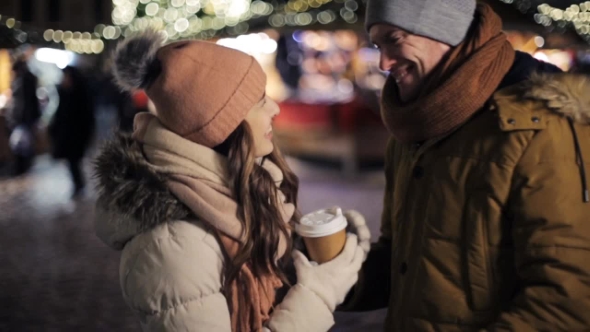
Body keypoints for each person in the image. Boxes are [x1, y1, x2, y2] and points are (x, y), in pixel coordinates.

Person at [93, 30, 370, 331]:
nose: (275, 108)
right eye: (260, 101)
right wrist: (319, 293)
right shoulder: (173, 248)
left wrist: (324, 258)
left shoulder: (248, 192)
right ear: (223, 125)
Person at [340, 0, 590, 331]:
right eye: (378, 45)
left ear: (443, 28)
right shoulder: (411, 128)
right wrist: (331, 266)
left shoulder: (540, 126)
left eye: (395, 39)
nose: (384, 62)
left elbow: (566, 299)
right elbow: (403, 263)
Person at [48, 66, 95, 198]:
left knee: (74, 161)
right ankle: (78, 183)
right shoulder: (64, 93)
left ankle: (79, 184)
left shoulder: (80, 94)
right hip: (67, 135)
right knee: (72, 162)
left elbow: (87, 117)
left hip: (77, 135)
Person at [8, 58, 41, 175]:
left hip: (22, 117)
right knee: (23, 143)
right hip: (25, 117)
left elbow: (24, 102)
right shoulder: (28, 79)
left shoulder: (23, 80)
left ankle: (21, 167)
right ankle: (23, 166)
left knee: (21, 144)